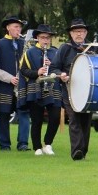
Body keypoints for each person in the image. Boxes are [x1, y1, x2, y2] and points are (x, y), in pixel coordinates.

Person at [51, 18, 98, 161]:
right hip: (70, 90)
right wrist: (61, 75)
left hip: (89, 91)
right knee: (75, 119)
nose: (79, 34)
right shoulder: (64, 48)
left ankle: (83, 151)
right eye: (76, 31)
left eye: (82, 31)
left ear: (86, 33)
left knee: (86, 121)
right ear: (71, 33)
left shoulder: (93, 47)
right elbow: (53, 67)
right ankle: (77, 151)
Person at [0, 14, 31, 151]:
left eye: (20, 27)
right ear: (8, 28)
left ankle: (23, 143)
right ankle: (4, 145)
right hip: (4, 85)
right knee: (4, 114)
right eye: (16, 27)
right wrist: (9, 78)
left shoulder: (24, 44)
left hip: (22, 85)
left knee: (24, 114)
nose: (19, 30)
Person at [18, 24, 61, 156]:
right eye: (43, 37)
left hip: (52, 88)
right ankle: (37, 147)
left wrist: (51, 67)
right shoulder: (29, 52)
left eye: (48, 38)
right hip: (36, 87)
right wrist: (37, 72)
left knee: (55, 117)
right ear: (37, 38)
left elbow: (59, 69)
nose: (46, 40)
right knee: (36, 119)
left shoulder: (55, 52)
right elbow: (23, 70)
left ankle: (48, 143)